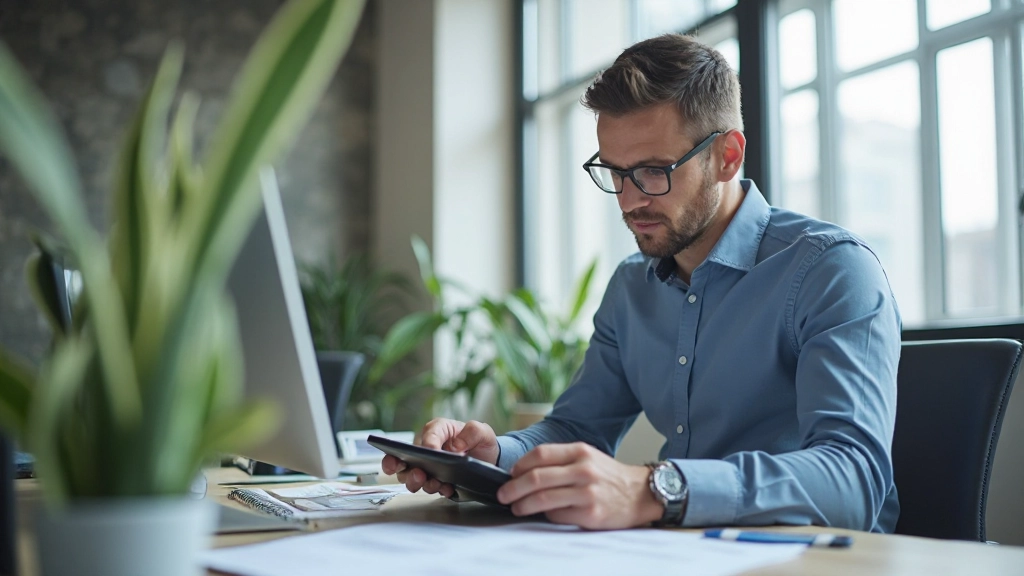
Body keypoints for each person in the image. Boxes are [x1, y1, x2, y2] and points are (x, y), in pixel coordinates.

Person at [382, 33, 901, 532]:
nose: (630, 201)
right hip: (681, 553)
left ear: (728, 156)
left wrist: (654, 489)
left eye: (654, 170)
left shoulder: (831, 272)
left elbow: (854, 481)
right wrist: (491, 454)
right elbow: (578, 429)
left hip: (819, 560)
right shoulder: (633, 287)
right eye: (615, 171)